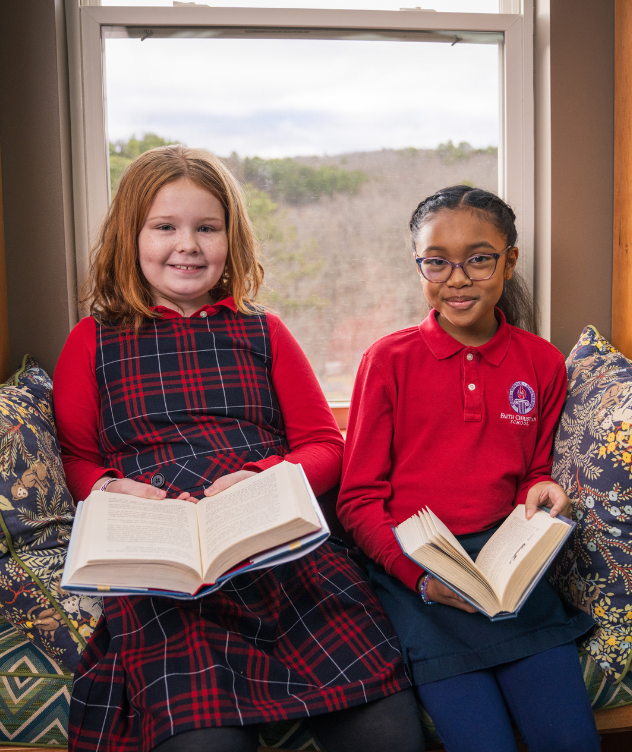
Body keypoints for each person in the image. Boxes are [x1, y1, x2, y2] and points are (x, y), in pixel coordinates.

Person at [53, 145, 423, 752]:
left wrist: (262, 474)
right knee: (205, 744)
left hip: (278, 549)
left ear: (232, 238)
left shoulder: (262, 330)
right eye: (165, 227)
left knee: (387, 734)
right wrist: (110, 488)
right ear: (131, 237)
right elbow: (77, 456)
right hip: (168, 577)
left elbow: (323, 445)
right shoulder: (93, 340)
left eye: (207, 228)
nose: (188, 245)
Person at [337, 185, 600, 752]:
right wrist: (423, 582)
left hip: (512, 579)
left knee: (571, 740)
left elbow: (532, 471)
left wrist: (544, 490)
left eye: (479, 259)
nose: (457, 278)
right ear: (419, 264)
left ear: (510, 260)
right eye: (436, 261)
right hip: (418, 583)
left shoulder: (541, 361)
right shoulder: (387, 360)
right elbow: (358, 500)